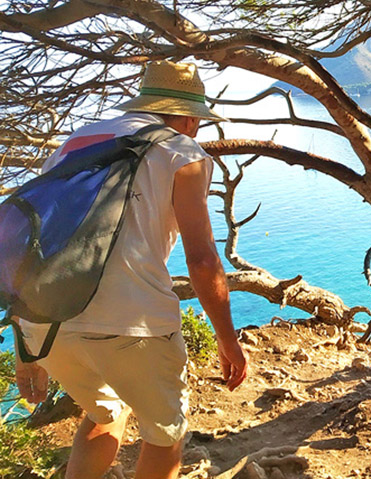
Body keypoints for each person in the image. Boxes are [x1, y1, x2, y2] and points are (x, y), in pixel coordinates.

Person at [13, 61, 248, 479]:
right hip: (132, 323)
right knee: (165, 435)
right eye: (197, 122)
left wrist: (25, 345)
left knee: (104, 413)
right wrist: (227, 340)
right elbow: (202, 259)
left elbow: (30, 245)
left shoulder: (77, 141)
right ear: (188, 115)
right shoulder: (182, 152)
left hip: (48, 322)